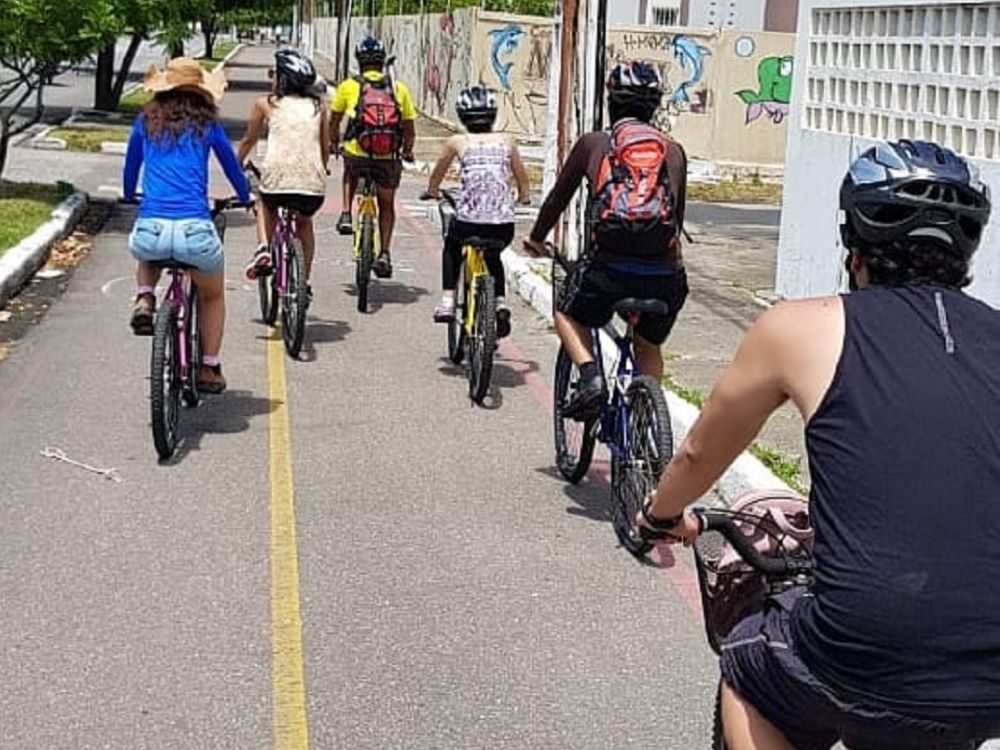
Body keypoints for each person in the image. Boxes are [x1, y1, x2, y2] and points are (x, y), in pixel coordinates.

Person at [638, 140, 1000, 750]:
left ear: (853, 245)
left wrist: (660, 515)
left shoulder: (801, 326)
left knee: (748, 667)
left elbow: (699, 455)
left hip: (862, 645)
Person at [524, 61, 688, 417]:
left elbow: (557, 200)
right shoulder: (673, 151)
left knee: (566, 312)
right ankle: (647, 417)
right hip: (665, 277)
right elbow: (675, 219)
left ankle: (589, 378)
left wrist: (536, 239)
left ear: (611, 102)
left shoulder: (594, 144)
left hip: (607, 272)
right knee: (648, 344)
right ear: (654, 106)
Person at [123, 57, 251, 395]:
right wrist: (246, 197)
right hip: (195, 228)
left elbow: (130, 165)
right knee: (212, 295)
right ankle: (209, 368)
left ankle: (145, 298)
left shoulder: (145, 121)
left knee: (148, 249)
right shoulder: (207, 126)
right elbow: (232, 169)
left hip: (153, 226)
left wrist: (128, 196)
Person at [424, 85, 530, 337]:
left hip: (469, 222)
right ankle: (500, 303)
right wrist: (524, 198)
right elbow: (523, 181)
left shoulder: (458, 141)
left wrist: (432, 191)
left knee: (452, 246)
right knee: (493, 256)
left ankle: (449, 300)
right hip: (503, 225)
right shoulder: (507, 141)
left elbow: (437, 174)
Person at [238, 49, 330, 296]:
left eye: (274, 74)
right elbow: (325, 148)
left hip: (276, 181)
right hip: (312, 185)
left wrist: (238, 163)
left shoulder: (266, 104)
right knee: (304, 221)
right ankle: (304, 282)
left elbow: (249, 140)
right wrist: (322, 168)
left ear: (282, 79)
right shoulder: (319, 107)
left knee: (263, 201)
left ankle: (264, 249)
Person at [330, 36, 417, 279]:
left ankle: (346, 213)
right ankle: (385, 253)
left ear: (359, 61)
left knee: (349, 170)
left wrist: (333, 143)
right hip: (388, 157)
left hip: (358, 154)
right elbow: (409, 128)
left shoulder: (348, 86)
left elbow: (334, 121)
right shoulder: (398, 89)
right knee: (386, 204)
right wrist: (407, 151)